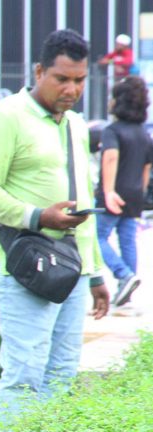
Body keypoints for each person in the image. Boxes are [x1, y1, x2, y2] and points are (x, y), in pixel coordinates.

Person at [0, 29, 111, 432]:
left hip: (73, 270)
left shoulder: (78, 126)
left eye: (80, 80)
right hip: (25, 267)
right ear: (38, 71)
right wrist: (36, 216)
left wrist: (96, 271)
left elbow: (83, 203)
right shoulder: (7, 115)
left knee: (61, 374)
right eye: (62, 78)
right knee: (24, 373)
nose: (72, 89)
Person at [96, 75, 152, 308]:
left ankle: (123, 274)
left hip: (114, 193)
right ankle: (126, 289)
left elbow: (110, 158)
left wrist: (108, 191)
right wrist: (140, 192)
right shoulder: (144, 134)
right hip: (135, 194)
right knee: (127, 240)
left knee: (95, 237)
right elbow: (146, 169)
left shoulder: (112, 131)